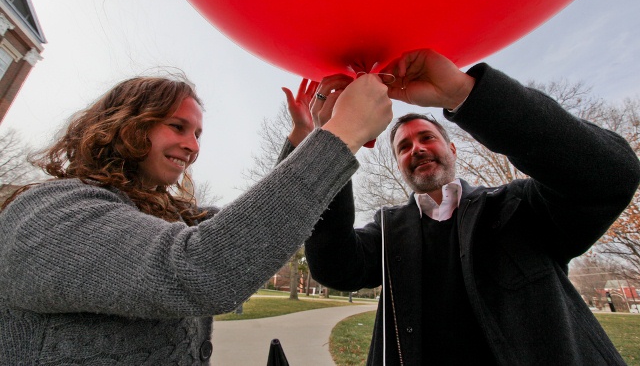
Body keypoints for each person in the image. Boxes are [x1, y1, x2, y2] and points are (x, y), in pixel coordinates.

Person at [0, 73, 392, 364]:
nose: (192, 145)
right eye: (177, 126)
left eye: (198, 133)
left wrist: (309, 136)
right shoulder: (48, 213)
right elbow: (203, 265)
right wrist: (343, 134)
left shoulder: (161, 213)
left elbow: (250, 230)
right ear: (127, 123)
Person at [288, 49, 640, 365]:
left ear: (452, 150)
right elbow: (333, 267)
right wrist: (329, 144)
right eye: (404, 147)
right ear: (398, 164)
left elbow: (611, 176)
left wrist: (464, 93)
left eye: (427, 137)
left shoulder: (519, 207)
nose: (418, 149)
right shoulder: (388, 232)